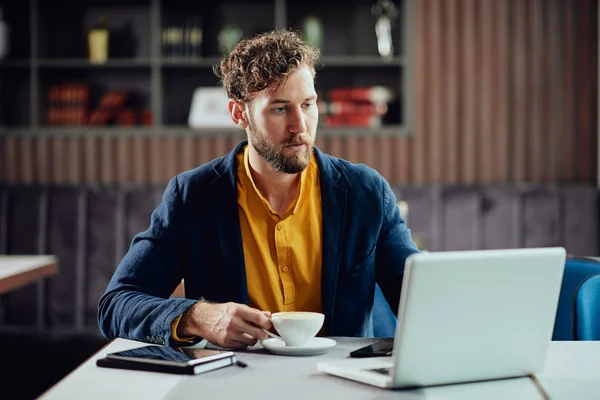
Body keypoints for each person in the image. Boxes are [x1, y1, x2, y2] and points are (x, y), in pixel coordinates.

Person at [97, 30, 419, 349]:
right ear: (240, 113)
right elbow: (116, 304)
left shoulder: (366, 192)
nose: (300, 126)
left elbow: (419, 301)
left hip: (341, 386)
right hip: (232, 384)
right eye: (280, 109)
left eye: (308, 104)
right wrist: (197, 316)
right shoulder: (193, 196)